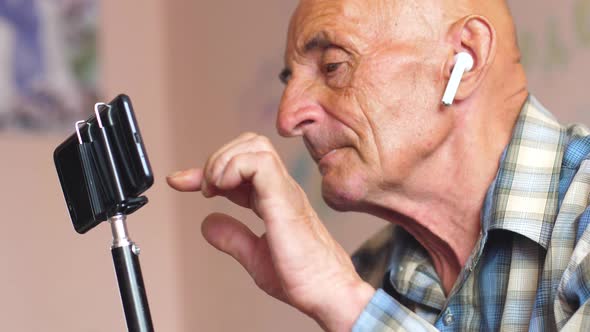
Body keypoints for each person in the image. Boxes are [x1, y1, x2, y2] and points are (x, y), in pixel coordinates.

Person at [167, 0, 590, 330]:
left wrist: (342, 298)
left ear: (465, 58)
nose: (287, 118)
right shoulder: (371, 271)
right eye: (289, 80)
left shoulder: (348, 293)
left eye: (333, 65)